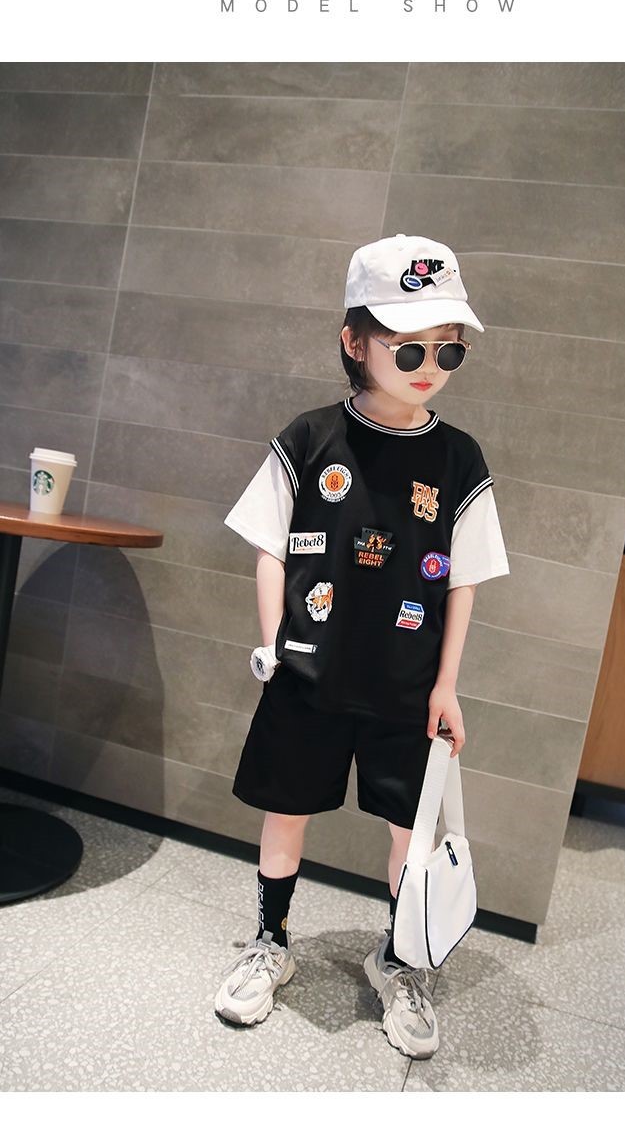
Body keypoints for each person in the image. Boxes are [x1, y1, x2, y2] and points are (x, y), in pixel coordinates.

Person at [214, 233, 510, 1060]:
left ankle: (400, 962)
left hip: (406, 686)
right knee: (285, 810)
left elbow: (463, 581)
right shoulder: (310, 437)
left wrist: (447, 685)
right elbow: (271, 545)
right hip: (307, 672)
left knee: (408, 837)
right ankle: (271, 942)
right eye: (409, 347)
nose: (429, 366)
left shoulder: (460, 459)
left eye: (448, 349)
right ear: (355, 341)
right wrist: (272, 642)